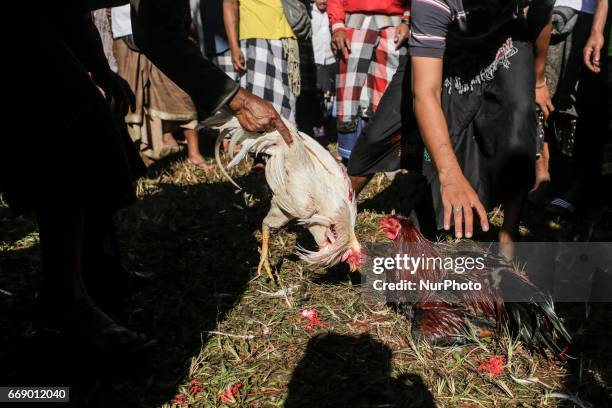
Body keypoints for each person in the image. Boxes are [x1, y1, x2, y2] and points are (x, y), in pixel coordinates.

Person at [409, 0, 555, 242]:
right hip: (450, 48)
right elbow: (425, 94)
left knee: (518, 118)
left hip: (505, 37)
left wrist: (538, 80)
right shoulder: (431, 4)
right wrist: (449, 174)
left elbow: (541, 16)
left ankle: (509, 234)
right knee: (383, 136)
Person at [111, 5, 214, 170]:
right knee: (132, 97)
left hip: (159, 29)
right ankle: (137, 157)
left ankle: (194, 153)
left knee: (179, 91)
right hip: (124, 28)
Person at [541, 0, 609, 213]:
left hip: (590, 15)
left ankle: (580, 183)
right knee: (544, 91)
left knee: (582, 100)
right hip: (549, 10)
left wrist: (597, 29)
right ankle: (543, 173)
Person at [328, 0, 410, 161]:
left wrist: (407, 20)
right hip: (353, 20)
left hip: (394, 22)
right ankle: (350, 155)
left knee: (391, 86)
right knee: (350, 90)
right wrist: (337, 24)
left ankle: (387, 154)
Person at [222, 0, 300, 122]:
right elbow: (230, 3)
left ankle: (283, 140)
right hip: (257, 41)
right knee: (258, 109)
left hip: (286, 41)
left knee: (286, 107)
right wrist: (234, 46)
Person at [311, 0, 338, 143]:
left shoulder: (333, 14)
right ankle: (315, 130)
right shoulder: (309, 13)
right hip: (314, 60)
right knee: (315, 96)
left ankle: (327, 131)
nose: (323, 1)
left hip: (330, 61)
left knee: (328, 98)